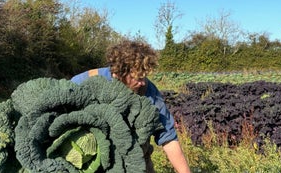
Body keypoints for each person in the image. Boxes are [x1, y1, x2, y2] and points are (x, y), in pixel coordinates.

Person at [71, 39, 191, 173]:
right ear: (118, 73)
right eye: (138, 78)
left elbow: (168, 138)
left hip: (138, 163)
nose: (143, 83)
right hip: (96, 164)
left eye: (144, 77)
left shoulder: (150, 93)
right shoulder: (88, 81)